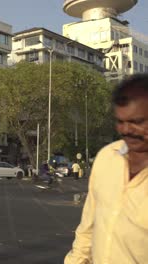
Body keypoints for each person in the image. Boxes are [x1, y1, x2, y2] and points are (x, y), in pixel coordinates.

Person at [65, 74, 148, 263]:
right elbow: (88, 227)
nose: (127, 130)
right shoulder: (106, 157)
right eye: (121, 121)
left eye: (137, 121)